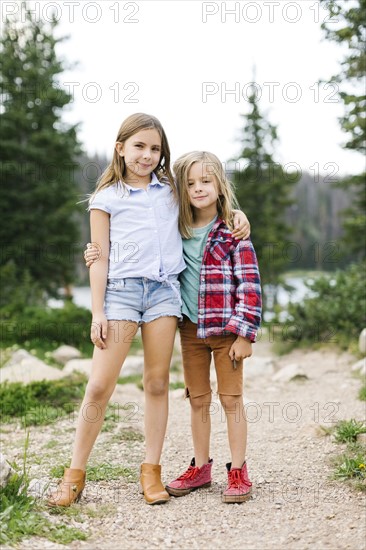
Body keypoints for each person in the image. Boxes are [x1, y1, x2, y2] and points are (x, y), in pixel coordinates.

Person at [47, 113, 249, 507]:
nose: (147, 155)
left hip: (163, 295)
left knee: (157, 383)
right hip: (120, 295)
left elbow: (208, 200)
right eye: (139, 146)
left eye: (155, 148)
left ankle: (151, 471)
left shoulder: (171, 192)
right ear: (120, 147)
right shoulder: (104, 199)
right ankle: (74, 475)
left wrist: (238, 215)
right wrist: (97, 311)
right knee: (100, 386)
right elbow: (99, 256)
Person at [164, 151, 262, 503]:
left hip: (226, 332)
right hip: (190, 330)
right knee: (198, 400)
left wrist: (245, 334)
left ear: (221, 185)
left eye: (206, 181)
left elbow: (250, 284)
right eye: (190, 183)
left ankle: (238, 470)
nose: (198, 188)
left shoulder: (233, 231)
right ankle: (201, 467)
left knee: (231, 399)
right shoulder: (175, 227)